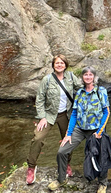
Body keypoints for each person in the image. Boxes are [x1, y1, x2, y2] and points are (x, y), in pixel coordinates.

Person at [51, 66, 111, 193]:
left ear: (94, 77)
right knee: (62, 151)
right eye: (85, 75)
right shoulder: (79, 93)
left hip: (96, 129)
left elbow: (106, 112)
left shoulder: (101, 91)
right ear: (82, 77)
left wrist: (100, 131)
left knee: (101, 155)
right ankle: (61, 179)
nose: (88, 77)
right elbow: (74, 114)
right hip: (79, 129)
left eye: (90, 75)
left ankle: (102, 183)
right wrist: (68, 134)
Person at [25, 54, 80, 185]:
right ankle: (31, 167)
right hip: (49, 115)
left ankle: (66, 164)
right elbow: (39, 99)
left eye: (62, 63)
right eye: (57, 63)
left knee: (69, 139)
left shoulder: (71, 77)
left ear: (65, 65)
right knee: (38, 138)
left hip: (66, 114)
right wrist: (42, 117)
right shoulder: (47, 79)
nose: (59, 65)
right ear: (53, 65)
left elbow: (81, 90)